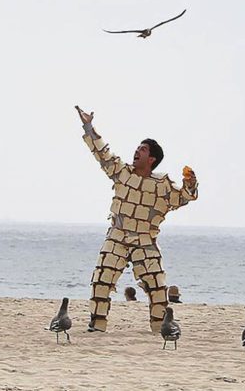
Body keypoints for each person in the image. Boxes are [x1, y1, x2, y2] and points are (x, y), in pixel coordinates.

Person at [75, 105, 198, 333]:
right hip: (117, 237)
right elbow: (102, 154)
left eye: (142, 149)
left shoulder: (162, 186)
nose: (136, 152)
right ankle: (97, 324)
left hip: (145, 239)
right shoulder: (122, 173)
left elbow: (184, 197)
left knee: (157, 287)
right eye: (137, 148)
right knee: (101, 281)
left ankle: (160, 327)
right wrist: (88, 126)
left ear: (151, 158)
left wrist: (190, 183)